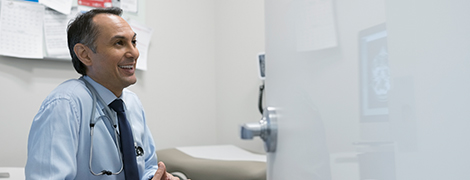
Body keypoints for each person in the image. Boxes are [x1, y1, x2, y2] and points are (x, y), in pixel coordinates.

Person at [25, 7, 180, 180]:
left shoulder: (131, 103)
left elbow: (147, 168)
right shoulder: (64, 104)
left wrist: (159, 177)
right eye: (119, 43)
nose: (134, 53)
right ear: (85, 55)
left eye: (134, 42)